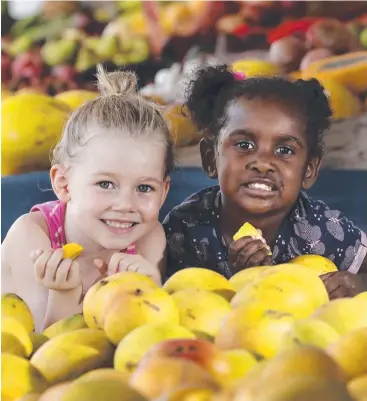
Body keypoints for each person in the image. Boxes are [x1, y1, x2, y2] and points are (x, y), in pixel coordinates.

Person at [163, 64, 367, 299]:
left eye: (284, 150)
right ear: (210, 158)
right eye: (244, 145)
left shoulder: (323, 230)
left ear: (308, 170)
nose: (262, 163)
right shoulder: (185, 227)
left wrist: (358, 283)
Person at [2, 64, 173, 331]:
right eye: (106, 184)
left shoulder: (148, 238)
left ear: (164, 193)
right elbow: (42, 356)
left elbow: (143, 337)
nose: (125, 205)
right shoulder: (32, 239)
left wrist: (149, 290)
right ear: (64, 184)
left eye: (144, 188)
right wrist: (64, 296)